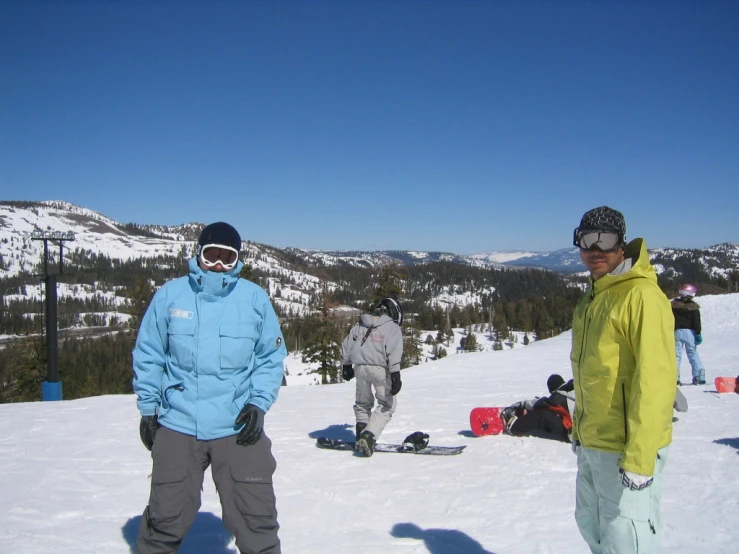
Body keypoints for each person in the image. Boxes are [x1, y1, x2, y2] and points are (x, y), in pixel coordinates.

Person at [132, 222, 287, 554]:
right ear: (198, 254)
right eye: (211, 255)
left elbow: (270, 356)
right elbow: (150, 353)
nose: (218, 264)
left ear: (237, 260)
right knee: (164, 517)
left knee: (255, 517)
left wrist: (258, 403)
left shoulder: (253, 298)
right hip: (179, 421)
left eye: (226, 258)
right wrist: (149, 409)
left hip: (236, 423)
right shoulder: (171, 295)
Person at [570, 206, 676, 554]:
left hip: (626, 447)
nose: (595, 250)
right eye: (588, 240)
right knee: (592, 527)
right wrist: (579, 432)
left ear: (622, 245)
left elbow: (656, 379)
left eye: (606, 239)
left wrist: (640, 457)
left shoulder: (641, 296)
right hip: (593, 442)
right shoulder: (594, 295)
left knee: (627, 539)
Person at [340, 297, 404, 457]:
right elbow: (394, 351)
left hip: (360, 369)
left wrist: (346, 364)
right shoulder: (392, 328)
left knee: (362, 404)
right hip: (380, 370)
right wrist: (395, 373)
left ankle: (361, 436)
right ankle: (368, 436)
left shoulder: (361, 324)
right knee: (387, 405)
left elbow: (347, 344)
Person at [501, 374, 575, 443]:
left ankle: (513, 427)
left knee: (542, 414)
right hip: (583, 432)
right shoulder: (574, 389)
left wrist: (520, 405)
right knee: (557, 412)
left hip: (574, 435)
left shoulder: (558, 398)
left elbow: (540, 404)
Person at [671, 283, 706, 385]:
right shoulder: (693, 307)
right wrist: (698, 333)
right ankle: (699, 375)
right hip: (690, 332)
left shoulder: (673, 305)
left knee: (676, 355)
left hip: (676, 331)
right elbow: (696, 322)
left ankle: (675, 376)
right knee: (692, 353)